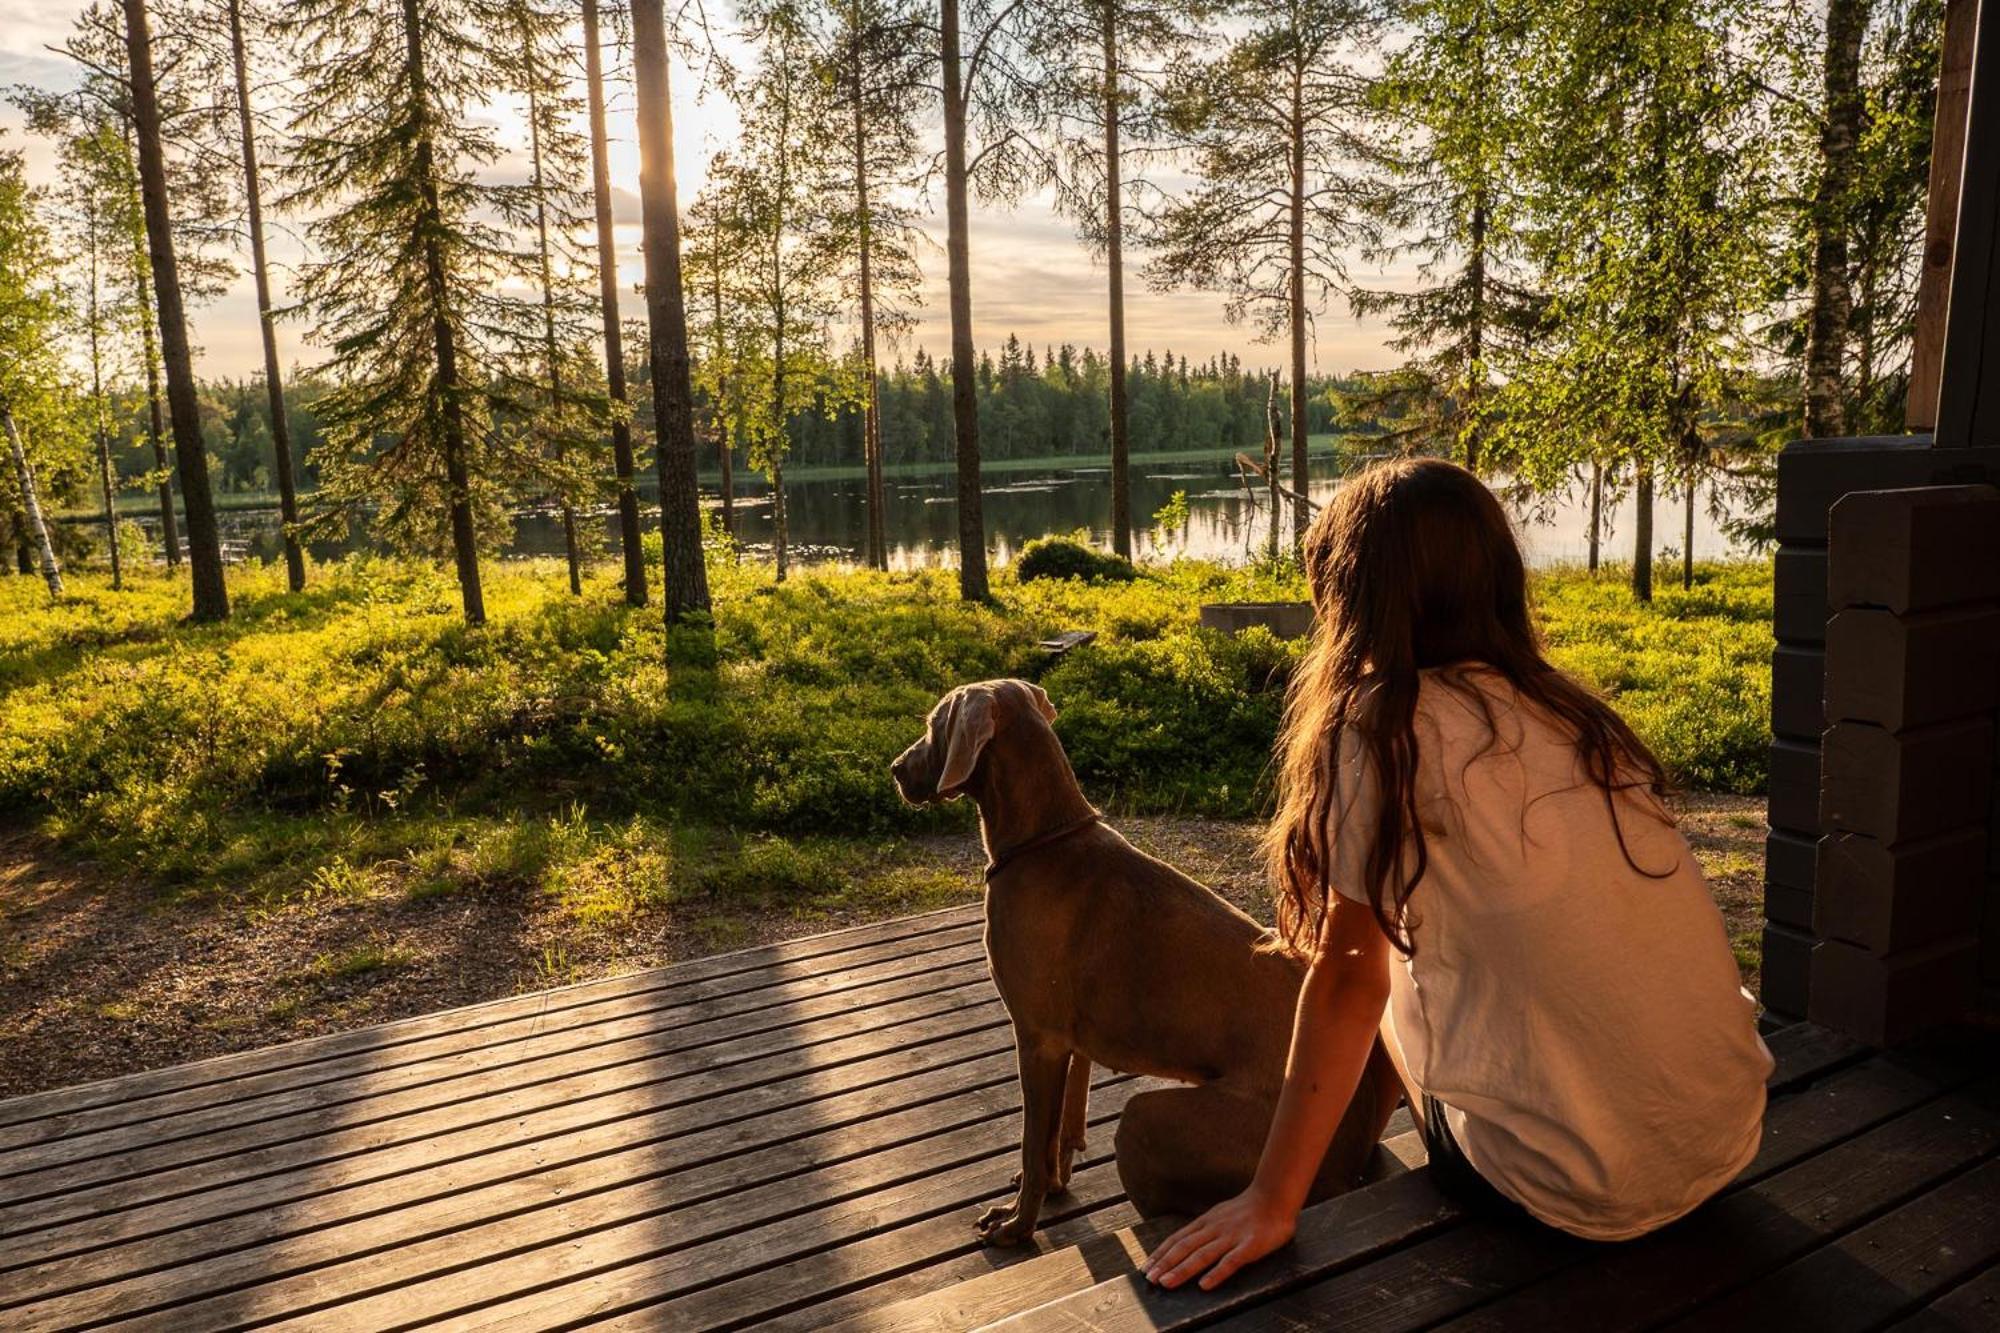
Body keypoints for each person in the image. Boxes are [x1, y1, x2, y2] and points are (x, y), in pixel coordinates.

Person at [1143, 458, 1773, 1292]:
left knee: (1369, 952)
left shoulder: (1380, 729)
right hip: (1722, 1131)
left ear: (1353, 602)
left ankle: (1325, 1171)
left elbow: (1346, 983)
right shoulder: (1570, 712)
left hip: (1572, 1190)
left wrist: (1268, 1199)